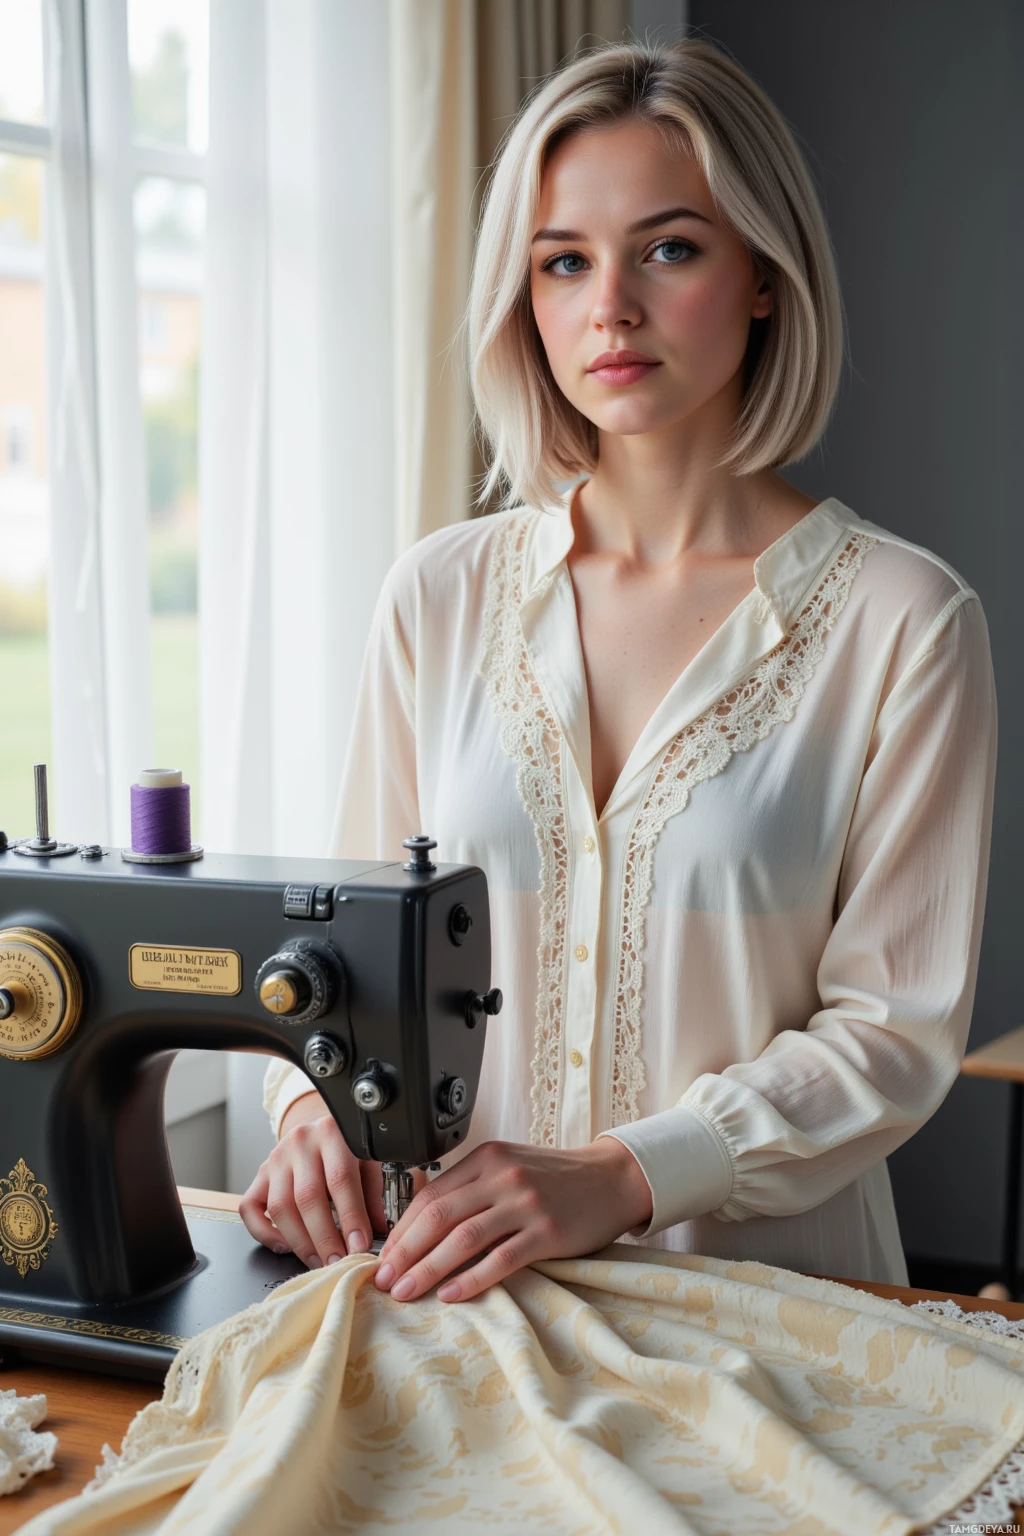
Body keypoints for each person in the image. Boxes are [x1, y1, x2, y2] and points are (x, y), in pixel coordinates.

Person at [240, 37, 997, 1308]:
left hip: (770, 1316)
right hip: (460, 1308)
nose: (611, 310)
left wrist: (621, 1173)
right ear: (521, 298)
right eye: (564, 263)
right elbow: (349, 951)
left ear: (764, 275)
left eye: (670, 248)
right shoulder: (439, 594)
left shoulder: (903, 621)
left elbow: (893, 1034)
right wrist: (310, 1106)